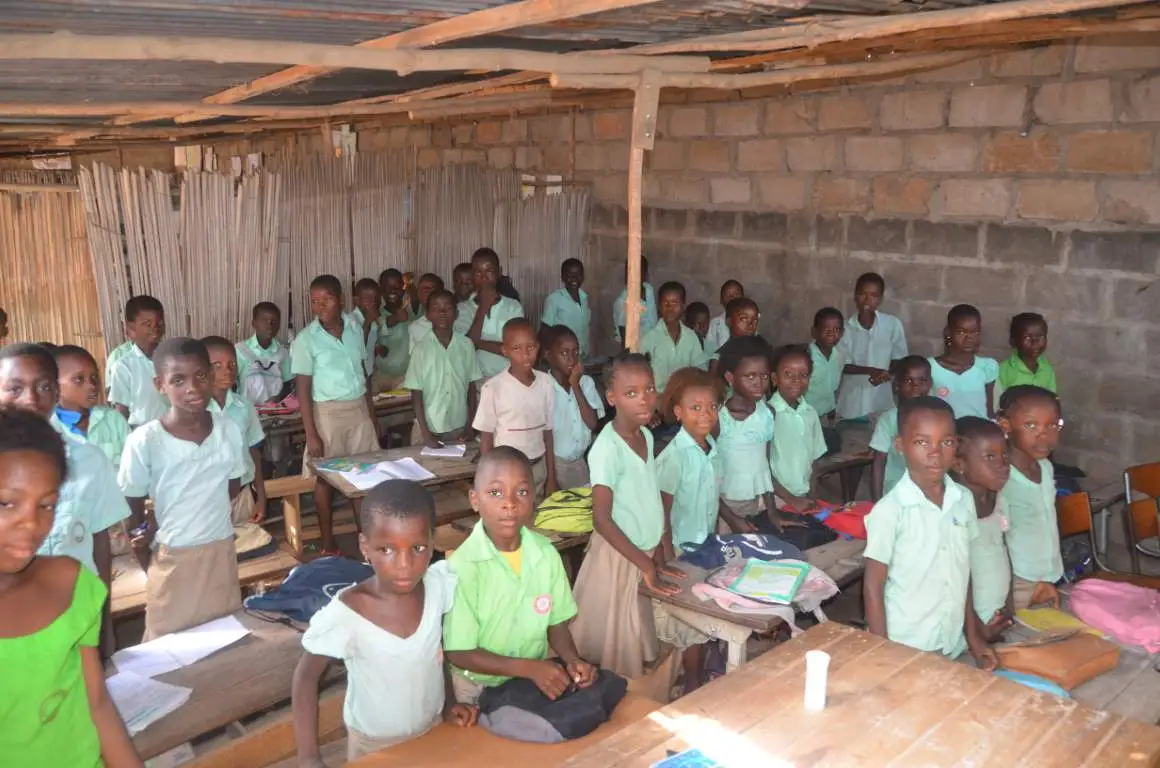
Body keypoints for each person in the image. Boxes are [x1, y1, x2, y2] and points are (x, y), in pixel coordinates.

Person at [293, 480, 476, 764]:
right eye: (387, 550)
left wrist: (450, 704)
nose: (404, 565)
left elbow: (436, 652)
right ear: (365, 547)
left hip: (432, 730)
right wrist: (308, 758)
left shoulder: (437, 587)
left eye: (417, 548)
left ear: (432, 543)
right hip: (374, 746)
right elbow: (305, 677)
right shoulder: (348, 614)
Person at [0, 410, 142, 767]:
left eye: (46, 505)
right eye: (6, 502)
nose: (32, 523)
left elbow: (98, 704)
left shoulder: (70, 584)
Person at [0, 343, 129, 655]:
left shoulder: (88, 459)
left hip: (74, 610)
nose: (31, 399)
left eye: (44, 386)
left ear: (57, 392)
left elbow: (100, 544)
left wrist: (104, 624)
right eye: (14, 388)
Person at [444, 447, 595, 705]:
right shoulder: (464, 566)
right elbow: (459, 652)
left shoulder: (546, 554)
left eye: (522, 492)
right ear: (475, 500)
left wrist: (572, 660)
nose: (510, 503)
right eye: (496, 492)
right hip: (477, 687)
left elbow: (556, 624)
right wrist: (529, 668)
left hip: (528, 682)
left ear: (534, 497)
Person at [119, 337, 246, 640]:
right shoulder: (145, 441)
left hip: (220, 551)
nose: (192, 388)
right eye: (178, 380)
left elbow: (232, 487)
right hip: (172, 557)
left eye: (200, 375)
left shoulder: (227, 429)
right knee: (166, 646)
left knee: (222, 639)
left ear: (210, 376)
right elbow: (132, 510)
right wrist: (146, 552)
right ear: (159, 384)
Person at [570, 354, 682, 678]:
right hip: (618, 558)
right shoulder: (607, 448)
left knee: (637, 633)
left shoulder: (645, 436)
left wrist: (657, 555)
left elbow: (647, 497)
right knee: (616, 646)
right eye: (631, 393)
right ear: (611, 398)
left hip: (643, 552)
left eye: (649, 389)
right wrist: (646, 564)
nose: (644, 399)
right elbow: (601, 520)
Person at [863, 396, 996, 669]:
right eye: (922, 442)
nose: (935, 453)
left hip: (952, 641)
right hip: (905, 646)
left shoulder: (963, 499)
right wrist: (882, 652)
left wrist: (973, 637)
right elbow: (873, 588)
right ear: (900, 446)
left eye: (946, 442)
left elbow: (963, 570)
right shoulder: (890, 511)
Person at [656, 368, 742, 694]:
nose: (705, 414)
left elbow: (712, 499)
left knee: (707, 612)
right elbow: (661, 512)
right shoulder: (674, 457)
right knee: (690, 622)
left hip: (705, 545)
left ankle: (704, 670)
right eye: (695, 408)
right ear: (678, 412)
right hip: (681, 549)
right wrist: (667, 558)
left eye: (711, 407)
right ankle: (691, 683)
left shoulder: (712, 450)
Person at [291, 275, 380, 555]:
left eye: (326, 300)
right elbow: (303, 390)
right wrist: (311, 433)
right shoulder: (307, 340)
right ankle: (328, 542)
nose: (320, 307)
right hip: (328, 414)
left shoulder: (354, 328)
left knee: (362, 474)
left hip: (358, 409)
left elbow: (363, 373)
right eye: (314, 302)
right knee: (326, 479)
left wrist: (370, 415)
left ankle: (365, 538)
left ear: (340, 300)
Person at [473, 319, 557, 499]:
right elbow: (486, 439)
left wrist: (551, 477)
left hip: (538, 469)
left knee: (537, 512)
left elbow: (548, 433)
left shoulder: (546, 383)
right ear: (505, 351)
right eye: (517, 348)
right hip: (507, 473)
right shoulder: (493, 388)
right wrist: (489, 478)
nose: (525, 354)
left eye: (530, 347)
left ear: (538, 347)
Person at [998, 385, 1064, 610]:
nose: (1044, 435)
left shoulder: (1045, 467)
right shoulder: (1002, 477)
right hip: (1016, 580)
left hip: (1049, 574)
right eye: (1031, 425)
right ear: (1005, 426)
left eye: (1052, 425)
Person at [953, 416, 1015, 643]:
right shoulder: (955, 511)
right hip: (965, 626)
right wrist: (976, 630)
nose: (1003, 465)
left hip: (995, 615)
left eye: (1005, 455)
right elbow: (954, 577)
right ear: (960, 465)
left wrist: (1009, 605)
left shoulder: (999, 500)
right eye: (990, 457)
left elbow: (1003, 550)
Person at [203, 336, 268, 524]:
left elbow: (254, 452)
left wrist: (261, 497)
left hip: (242, 495)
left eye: (232, 364)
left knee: (246, 541)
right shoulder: (194, 411)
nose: (227, 371)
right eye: (217, 365)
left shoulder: (244, 406)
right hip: (206, 502)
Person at [404, 290, 481, 448]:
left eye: (448, 308)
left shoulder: (466, 345)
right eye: (436, 308)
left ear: (456, 314)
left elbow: (471, 388)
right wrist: (425, 434)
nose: (442, 312)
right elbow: (416, 394)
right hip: (429, 427)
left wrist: (470, 426)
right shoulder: (421, 349)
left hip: (459, 426)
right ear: (428, 315)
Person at [714, 335, 775, 531]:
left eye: (764, 376)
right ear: (730, 378)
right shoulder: (719, 419)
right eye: (750, 376)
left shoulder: (767, 414)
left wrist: (772, 512)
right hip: (722, 507)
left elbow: (765, 464)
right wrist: (731, 518)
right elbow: (706, 477)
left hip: (754, 504)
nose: (759, 383)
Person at [836, 273, 907, 422]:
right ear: (855, 296)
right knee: (851, 433)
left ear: (880, 299)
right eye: (863, 294)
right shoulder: (844, 328)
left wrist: (887, 373)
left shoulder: (892, 324)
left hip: (882, 400)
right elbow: (841, 364)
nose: (867, 300)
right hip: (852, 402)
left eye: (874, 295)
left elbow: (900, 359)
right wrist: (871, 371)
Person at [543, 325, 604, 489]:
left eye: (576, 352)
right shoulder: (543, 387)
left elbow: (593, 423)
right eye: (564, 353)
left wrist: (575, 385)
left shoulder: (586, 383)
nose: (572, 358)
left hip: (579, 463)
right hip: (552, 465)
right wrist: (551, 478)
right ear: (548, 355)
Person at [768, 344, 827, 514]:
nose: (796, 380)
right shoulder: (767, 415)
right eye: (788, 374)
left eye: (803, 375)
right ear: (774, 378)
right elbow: (761, 468)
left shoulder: (810, 413)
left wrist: (812, 496)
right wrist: (791, 500)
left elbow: (814, 460)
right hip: (776, 499)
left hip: (804, 497)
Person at [53, 344, 130, 470]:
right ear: (55, 385)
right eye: (79, 379)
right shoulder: (48, 429)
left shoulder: (113, 420)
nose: (92, 385)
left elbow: (131, 469)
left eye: (94, 377)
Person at [869, 355, 933, 501]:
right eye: (908, 381)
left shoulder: (938, 418)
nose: (915, 386)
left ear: (930, 384)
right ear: (897, 385)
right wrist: (877, 502)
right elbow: (879, 462)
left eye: (922, 380)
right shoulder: (889, 419)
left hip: (929, 497)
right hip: (895, 496)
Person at [639, 281, 709, 399]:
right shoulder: (648, 339)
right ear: (659, 306)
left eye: (674, 303)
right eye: (665, 302)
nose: (669, 308)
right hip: (657, 400)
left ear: (683, 306)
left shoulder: (691, 338)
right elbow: (641, 375)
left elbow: (700, 370)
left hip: (685, 400)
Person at [463, 249, 524, 379]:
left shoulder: (513, 307)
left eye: (489, 271)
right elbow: (464, 349)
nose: (484, 278)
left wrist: (476, 343)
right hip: (474, 382)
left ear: (499, 272)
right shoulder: (461, 309)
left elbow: (517, 349)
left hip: (508, 379)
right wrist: (483, 308)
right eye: (478, 272)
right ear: (472, 275)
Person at [108, 295, 167, 428]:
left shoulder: (172, 360)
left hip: (173, 433)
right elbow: (121, 413)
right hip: (141, 433)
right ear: (131, 328)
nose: (155, 328)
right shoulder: (123, 366)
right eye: (147, 324)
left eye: (160, 322)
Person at [930, 304, 998, 419]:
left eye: (975, 332)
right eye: (961, 332)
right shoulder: (930, 368)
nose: (969, 338)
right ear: (948, 332)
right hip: (945, 429)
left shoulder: (987, 367)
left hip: (979, 429)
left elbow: (989, 411)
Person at [805, 307, 845, 454]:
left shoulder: (838, 356)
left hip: (824, 417)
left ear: (842, 333)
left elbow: (832, 386)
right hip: (805, 416)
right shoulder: (807, 357)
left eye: (836, 330)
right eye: (825, 329)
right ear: (814, 332)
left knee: (831, 447)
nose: (831, 334)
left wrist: (832, 410)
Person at [235, 302, 293, 405]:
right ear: (254, 323)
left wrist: (278, 398)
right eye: (264, 320)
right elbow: (231, 384)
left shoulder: (283, 352)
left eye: (274, 321)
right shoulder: (239, 350)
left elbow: (288, 383)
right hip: (247, 408)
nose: (269, 325)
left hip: (274, 409)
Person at [540, 258, 592, 361]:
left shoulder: (584, 298)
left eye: (578, 275)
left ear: (583, 277)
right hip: (563, 356)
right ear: (563, 278)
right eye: (570, 276)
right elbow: (545, 330)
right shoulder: (554, 299)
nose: (574, 279)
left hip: (582, 356)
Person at [997, 312, 1056, 399]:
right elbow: (998, 403)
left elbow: (1053, 399)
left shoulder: (1047, 369)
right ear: (1013, 341)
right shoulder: (1003, 371)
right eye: (1027, 337)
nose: (1035, 342)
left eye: (1040, 337)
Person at [373, 268, 413, 393]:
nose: (392, 291)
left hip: (405, 377)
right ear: (380, 290)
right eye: (387, 287)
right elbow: (375, 331)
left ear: (403, 288)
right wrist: (395, 318)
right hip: (380, 376)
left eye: (397, 287)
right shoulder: (375, 314)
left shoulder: (412, 313)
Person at [707, 296, 759, 374]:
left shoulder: (761, 353)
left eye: (755, 320)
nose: (751, 324)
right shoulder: (719, 358)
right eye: (744, 319)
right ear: (729, 321)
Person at [613, 256, 657, 346]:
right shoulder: (622, 302)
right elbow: (624, 332)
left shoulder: (649, 289)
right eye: (629, 271)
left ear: (645, 274)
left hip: (652, 344)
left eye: (638, 270)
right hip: (636, 347)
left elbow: (652, 316)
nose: (633, 274)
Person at [350, 278, 382, 380]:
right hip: (357, 375)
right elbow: (357, 348)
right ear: (357, 301)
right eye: (368, 298)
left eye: (376, 297)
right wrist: (368, 321)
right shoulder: (351, 320)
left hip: (371, 372)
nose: (373, 302)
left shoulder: (375, 318)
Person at [408, 273, 447, 352]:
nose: (425, 290)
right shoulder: (414, 326)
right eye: (421, 287)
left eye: (430, 287)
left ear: (440, 291)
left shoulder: (451, 319)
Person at [705, 280, 743, 354]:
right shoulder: (715, 324)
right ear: (721, 301)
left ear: (743, 297)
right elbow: (709, 353)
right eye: (729, 296)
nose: (733, 298)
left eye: (736, 294)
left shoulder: (749, 321)